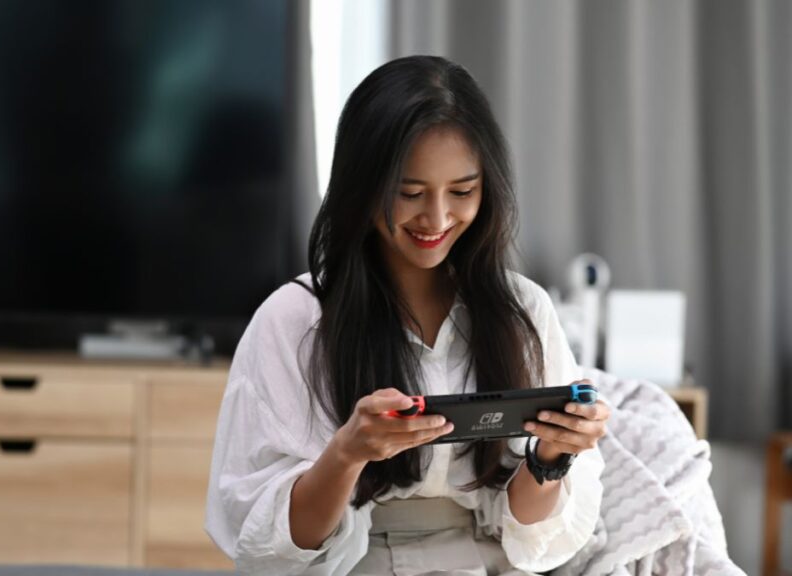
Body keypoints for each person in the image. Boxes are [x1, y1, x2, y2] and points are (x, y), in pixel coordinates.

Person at [205, 55, 610, 576]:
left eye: (462, 192)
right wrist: (346, 454)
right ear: (364, 185)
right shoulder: (296, 319)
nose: (437, 219)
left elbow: (531, 535)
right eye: (411, 193)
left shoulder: (523, 309)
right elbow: (275, 550)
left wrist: (552, 455)